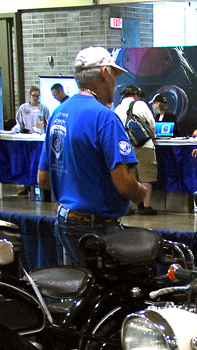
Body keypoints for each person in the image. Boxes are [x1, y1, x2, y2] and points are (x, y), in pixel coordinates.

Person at [38, 46, 145, 267]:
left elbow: (43, 179)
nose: (116, 84)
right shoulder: (105, 118)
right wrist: (140, 192)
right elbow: (124, 185)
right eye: (114, 76)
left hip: (66, 221)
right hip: (97, 229)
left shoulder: (59, 113)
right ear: (104, 73)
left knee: (77, 289)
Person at [114, 84, 158, 216]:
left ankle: (129, 206)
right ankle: (146, 207)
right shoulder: (140, 105)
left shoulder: (118, 108)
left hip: (125, 147)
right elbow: (151, 124)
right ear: (136, 95)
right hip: (144, 145)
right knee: (146, 175)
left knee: (129, 176)